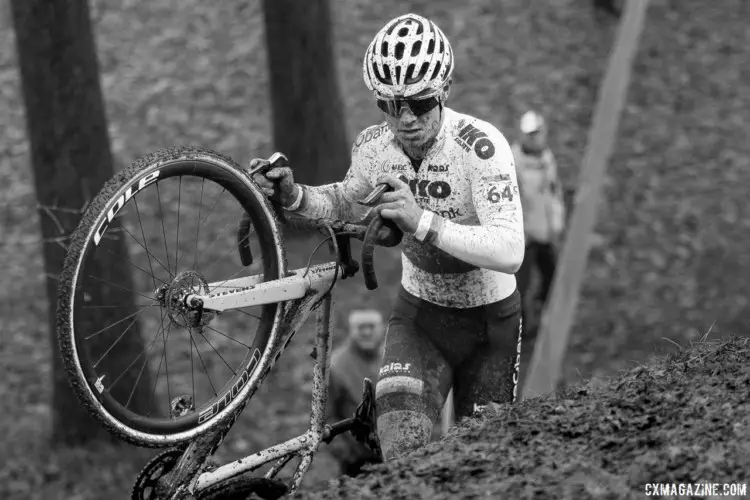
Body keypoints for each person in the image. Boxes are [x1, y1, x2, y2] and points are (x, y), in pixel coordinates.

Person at [249, 13, 524, 461]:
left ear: (445, 89)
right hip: (420, 320)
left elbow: (511, 251)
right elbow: (340, 201)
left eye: (419, 102)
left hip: (489, 324)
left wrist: (423, 223)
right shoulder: (375, 147)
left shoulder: (480, 147)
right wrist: (293, 195)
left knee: (484, 461)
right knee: (401, 454)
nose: (406, 119)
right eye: (390, 105)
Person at [511, 111, 566, 334]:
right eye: (530, 134)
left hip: (545, 232)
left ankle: (543, 309)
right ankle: (523, 327)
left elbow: (553, 192)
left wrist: (557, 222)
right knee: (519, 287)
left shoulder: (546, 157)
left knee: (551, 276)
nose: (535, 138)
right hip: (524, 238)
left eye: (537, 132)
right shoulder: (512, 163)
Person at [326, 310, 386, 477]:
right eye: (361, 328)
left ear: (382, 329)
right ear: (351, 330)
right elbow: (326, 416)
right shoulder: (336, 366)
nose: (366, 332)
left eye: (371, 327)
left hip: (394, 455)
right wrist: (348, 455)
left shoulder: (391, 359)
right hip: (358, 461)